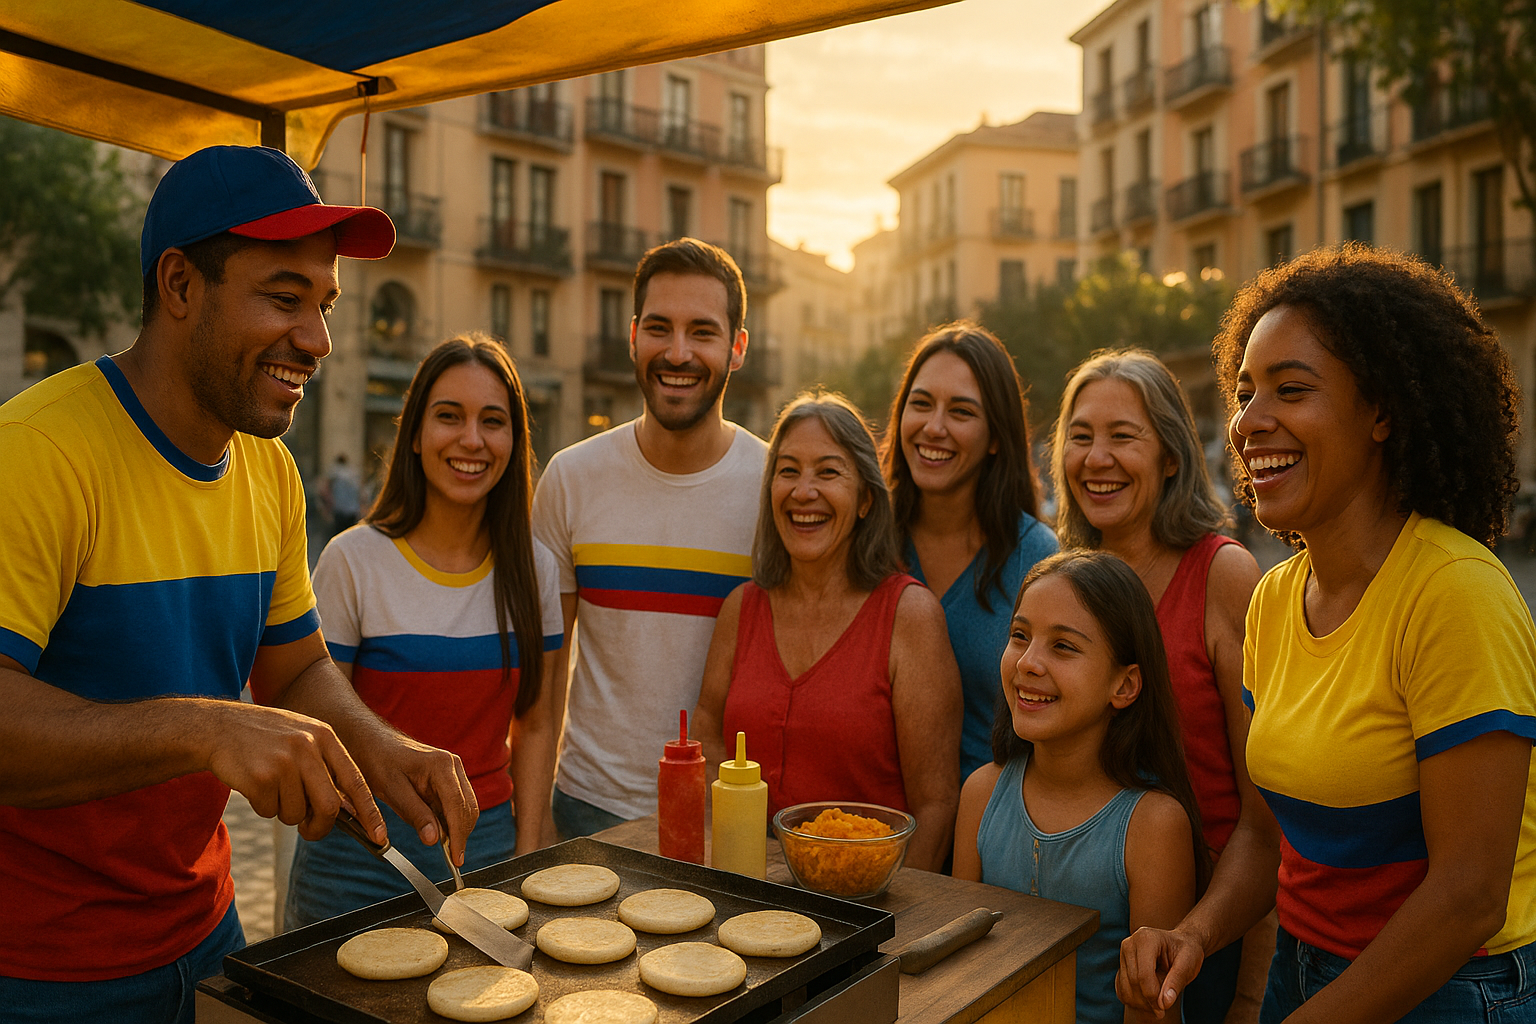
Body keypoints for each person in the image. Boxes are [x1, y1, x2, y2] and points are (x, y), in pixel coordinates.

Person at [0, 145, 476, 1023]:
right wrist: (205, 728)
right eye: (284, 298)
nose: (318, 339)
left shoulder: (272, 470)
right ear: (179, 286)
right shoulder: (38, 453)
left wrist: (383, 747)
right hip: (39, 974)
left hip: (210, 936)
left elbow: (293, 670)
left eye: (324, 305)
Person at [1118, 245, 1536, 1023]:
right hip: (1303, 969)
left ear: (1382, 412)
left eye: (1292, 390)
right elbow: (1263, 832)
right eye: (1244, 394)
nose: (1249, 423)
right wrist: (1194, 934)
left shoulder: (1454, 592)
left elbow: (1470, 895)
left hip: (1452, 989)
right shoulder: (1275, 598)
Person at [285, 334, 564, 928]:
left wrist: (529, 847)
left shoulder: (537, 570)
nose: (472, 439)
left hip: (487, 849)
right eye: (449, 417)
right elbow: (321, 716)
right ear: (414, 434)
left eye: (494, 421)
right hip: (358, 850)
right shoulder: (352, 560)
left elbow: (537, 724)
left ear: (515, 443)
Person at [1050, 348, 1264, 1022]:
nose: (1097, 458)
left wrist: (1251, 994)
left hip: (1204, 935)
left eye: (1123, 436)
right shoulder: (1068, 579)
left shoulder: (1223, 574)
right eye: (1080, 436)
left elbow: (1268, 814)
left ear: (1171, 456)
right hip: (1087, 927)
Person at [532, 238, 767, 838]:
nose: (678, 352)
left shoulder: (775, 490)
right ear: (633, 335)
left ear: (737, 348)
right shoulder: (571, 477)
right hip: (587, 807)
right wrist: (532, 823)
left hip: (729, 809)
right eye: (659, 328)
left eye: (703, 331)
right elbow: (547, 673)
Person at [694, 393, 962, 871]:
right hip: (747, 890)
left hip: (865, 903)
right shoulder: (741, 608)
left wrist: (897, 922)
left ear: (864, 499)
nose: (803, 491)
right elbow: (709, 742)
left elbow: (936, 806)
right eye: (788, 470)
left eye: (828, 471)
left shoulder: (910, 616)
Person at [953, 550, 1208, 1024]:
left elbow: (1153, 1014)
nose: (1028, 662)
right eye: (1019, 636)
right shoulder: (981, 794)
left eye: (1064, 647)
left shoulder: (1152, 827)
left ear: (1126, 686)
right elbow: (958, 978)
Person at [882, 321, 1058, 783]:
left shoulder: (1035, 557)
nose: (933, 427)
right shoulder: (867, 540)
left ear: (996, 437)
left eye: (961, 412)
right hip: (867, 827)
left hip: (990, 836)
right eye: (920, 404)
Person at [323, 452, 363, 535]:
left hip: (339, 508)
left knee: (338, 533)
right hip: (352, 509)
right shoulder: (353, 472)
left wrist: (328, 506)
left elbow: (326, 489)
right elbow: (359, 490)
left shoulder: (334, 471)